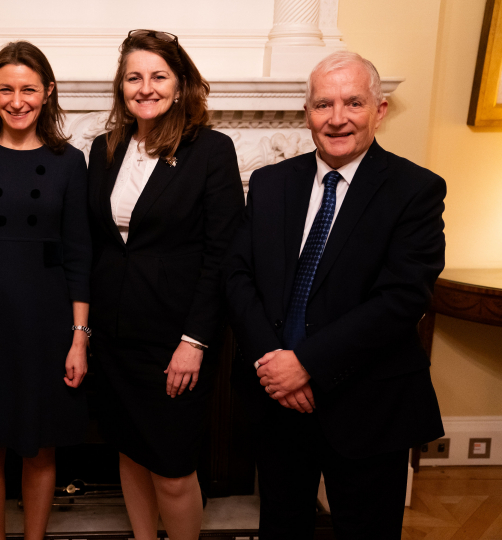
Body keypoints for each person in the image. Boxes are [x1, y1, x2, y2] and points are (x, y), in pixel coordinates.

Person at [224, 51, 446, 540]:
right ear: (307, 113)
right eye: (323, 104)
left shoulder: (416, 190)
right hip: (278, 402)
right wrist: (272, 362)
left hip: (369, 405)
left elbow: (401, 299)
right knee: (282, 527)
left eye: (353, 103)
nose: (337, 118)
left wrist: (305, 362)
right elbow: (238, 276)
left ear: (379, 110)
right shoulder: (270, 183)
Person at [86, 30, 244, 540]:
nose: (145, 87)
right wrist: (83, 332)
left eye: (158, 76)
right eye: (134, 77)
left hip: (175, 340)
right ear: (121, 87)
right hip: (114, 337)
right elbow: (98, 244)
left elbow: (223, 254)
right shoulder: (103, 150)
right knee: (131, 453)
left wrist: (194, 342)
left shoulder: (211, 150)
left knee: (173, 470)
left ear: (180, 86)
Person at [0, 41, 91, 540]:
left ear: (48, 93)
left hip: (46, 320)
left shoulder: (69, 161)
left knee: (39, 443)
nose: (17, 100)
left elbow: (79, 254)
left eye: (29, 88)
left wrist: (79, 337)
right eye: (6, 88)